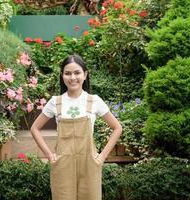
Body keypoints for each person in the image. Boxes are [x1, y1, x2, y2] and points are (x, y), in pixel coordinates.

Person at [30, 54, 122, 200]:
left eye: (77, 72)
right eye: (67, 73)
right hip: (62, 165)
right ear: (62, 76)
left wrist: (102, 156)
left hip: (89, 164)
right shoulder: (56, 102)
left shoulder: (94, 101)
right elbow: (34, 128)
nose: (72, 77)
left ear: (85, 75)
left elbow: (117, 128)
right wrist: (49, 155)